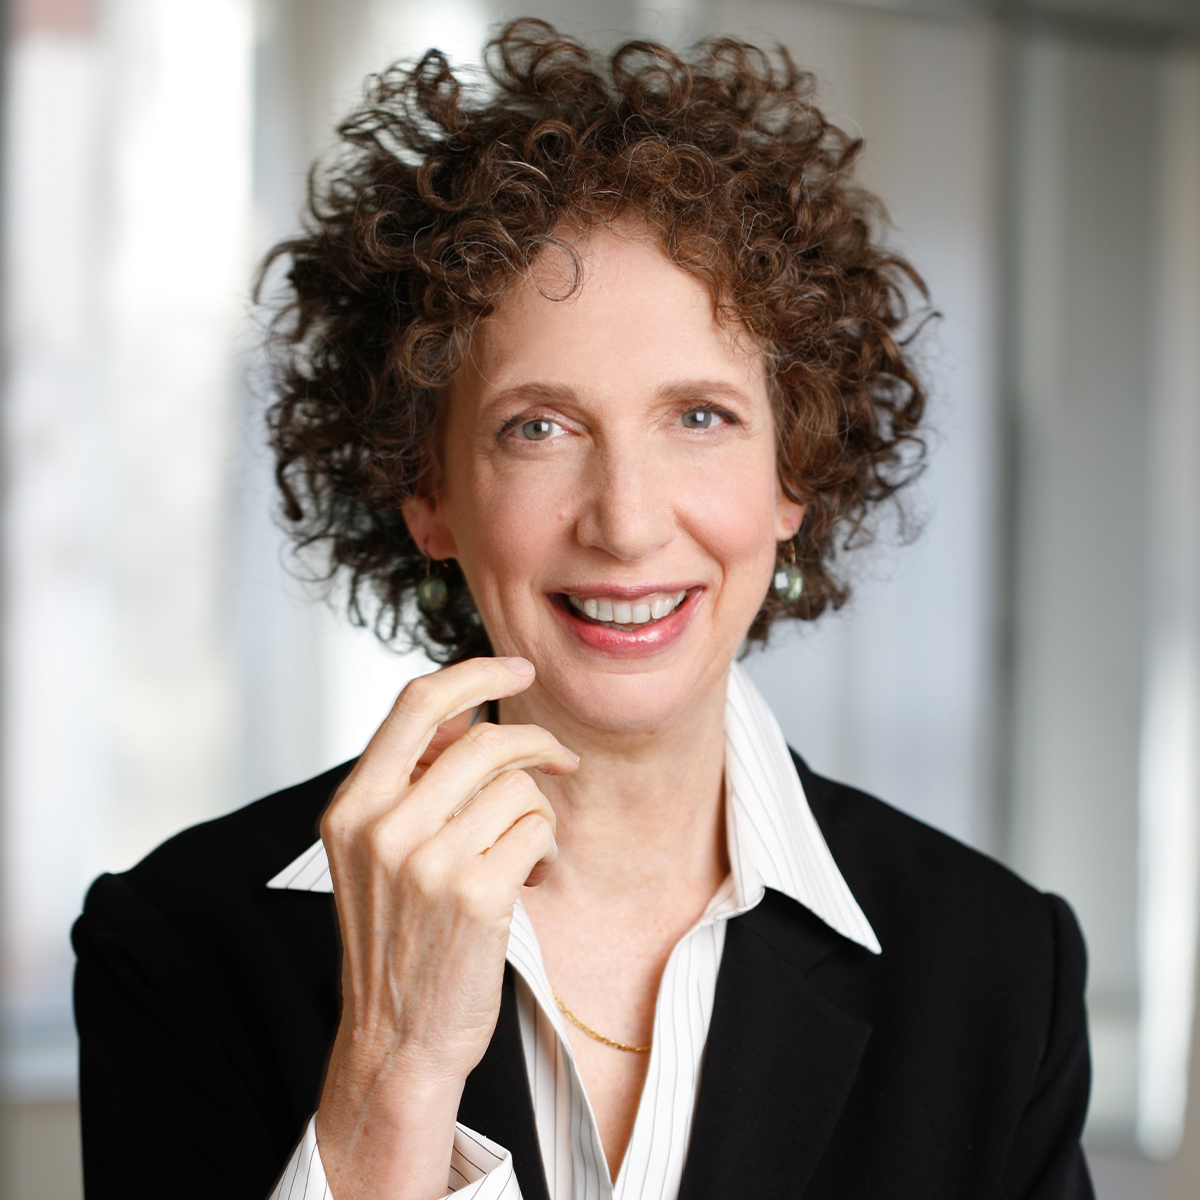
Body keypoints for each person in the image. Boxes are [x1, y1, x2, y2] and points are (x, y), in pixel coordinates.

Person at [72, 20, 1093, 1200]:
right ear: (428, 491)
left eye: (700, 417)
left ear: (794, 474)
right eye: (538, 426)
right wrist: (394, 1075)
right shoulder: (182, 945)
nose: (624, 520)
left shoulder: (998, 972)